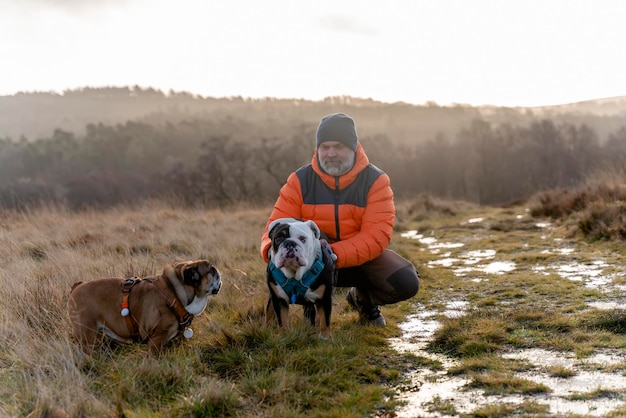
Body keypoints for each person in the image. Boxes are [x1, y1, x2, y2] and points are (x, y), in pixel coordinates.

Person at [260, 113, 420, 327]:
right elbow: (274, 226)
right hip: (309, 261)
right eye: (324, 146)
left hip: (354, 261)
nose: (331, 153)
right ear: (317, 149)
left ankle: (361, 300)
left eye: (339, 146)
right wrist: (272, 249)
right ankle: (307, 304)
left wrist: (332, 254)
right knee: (297, 246)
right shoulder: (299, 180)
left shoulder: (376, 181)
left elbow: (376, 237)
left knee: (405, 281)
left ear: (353, 148)